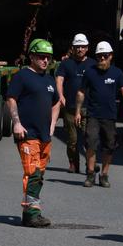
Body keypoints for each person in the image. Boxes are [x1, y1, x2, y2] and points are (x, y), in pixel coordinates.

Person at [5, 38, 61, 228]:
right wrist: (17, 123)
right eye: (41, 57)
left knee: (40, 174)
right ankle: (31, 214)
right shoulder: (22, 77)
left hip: (45, 136)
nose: (45, 61)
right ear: (31, 57)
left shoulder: (49, 79)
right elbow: (11, 99)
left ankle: (30, 209)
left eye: (48, 58)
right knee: (32, 172)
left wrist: (53, 124)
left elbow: (56, 102)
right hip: (27, 134)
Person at [74, 40, 123, 188]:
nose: (102, 59)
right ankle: (91, 174)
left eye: (105, 56)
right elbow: (81, 92)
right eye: (99, 56)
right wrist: (78, 111)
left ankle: (104, 175)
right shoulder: (90, 72)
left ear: (111, 56)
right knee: (91, 143)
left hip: (110, 116)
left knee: (109, 146)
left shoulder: (117, 73)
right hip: (92, 114)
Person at [54, 33, 94, 174]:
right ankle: (73, 163)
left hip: (88, 107)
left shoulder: (93, 64)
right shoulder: (66, 64)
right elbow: (59, 80)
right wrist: (60, 96)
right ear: (73, 48)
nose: (80, 49)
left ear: (87, 48)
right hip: (70, 107)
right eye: (77, 47)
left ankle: (90, 164)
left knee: (89, 138)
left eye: (83, 47)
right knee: (72, 140)